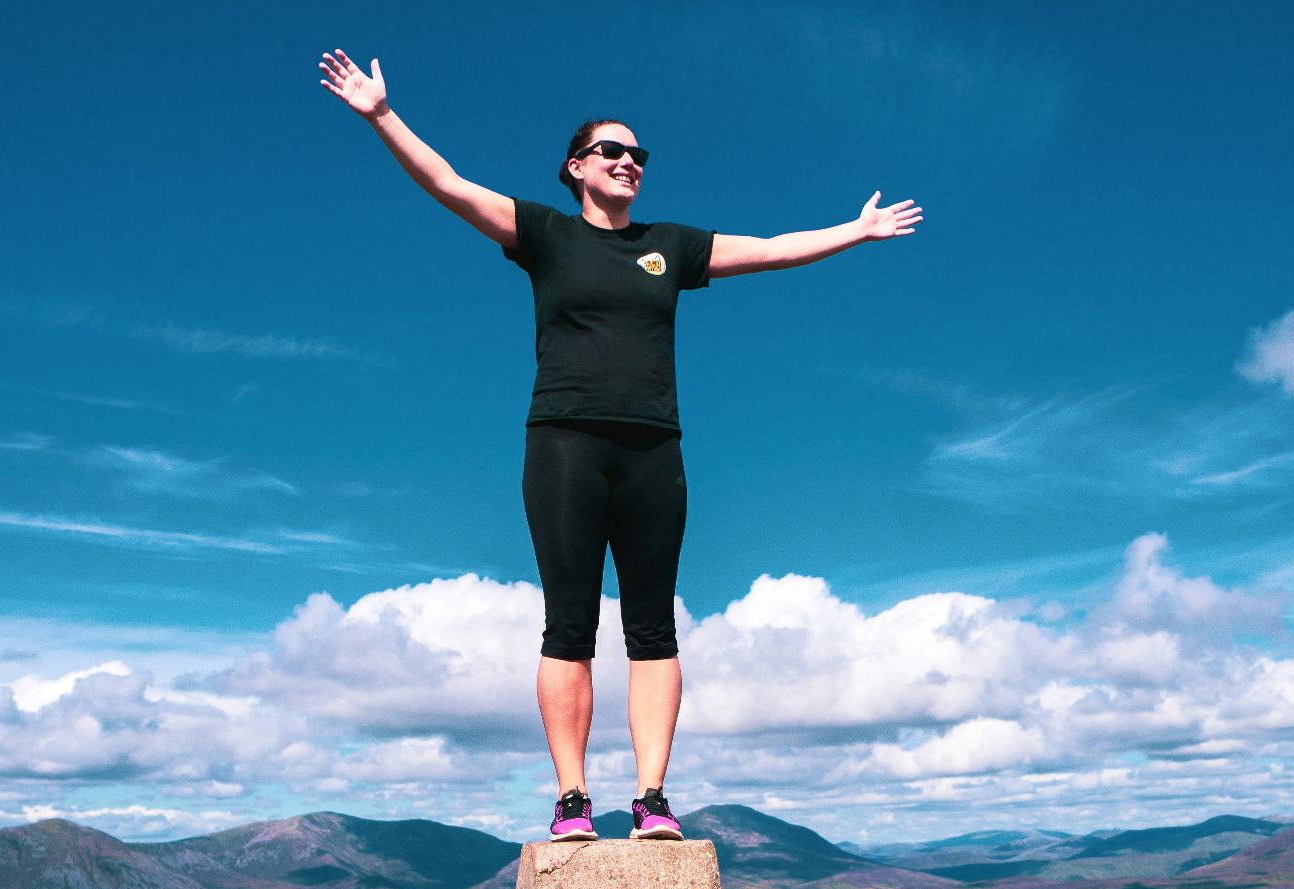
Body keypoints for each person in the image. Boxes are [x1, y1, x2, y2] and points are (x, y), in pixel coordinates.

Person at [319, 48, 921, 843]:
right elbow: (450, 186)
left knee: (652, 628)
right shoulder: (543, 234)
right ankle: (572, 799)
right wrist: (382, 115)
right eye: (614, 151)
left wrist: (856, 230)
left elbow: (772, 248)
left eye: (640, 154)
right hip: (565, 442)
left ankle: (651, 798)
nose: (631, 162)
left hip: (653, 452)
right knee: (568, 624)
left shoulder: (671, 245)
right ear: (577, 166)